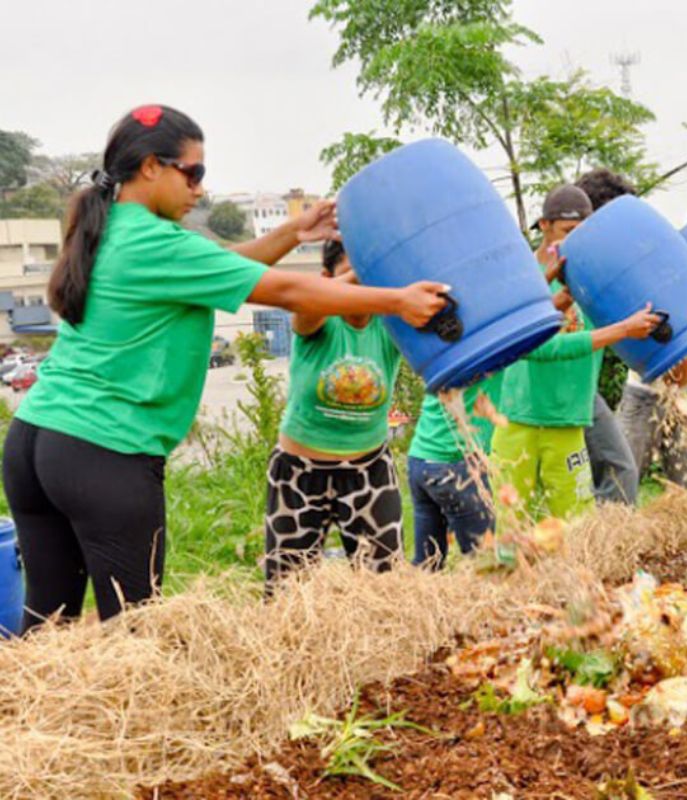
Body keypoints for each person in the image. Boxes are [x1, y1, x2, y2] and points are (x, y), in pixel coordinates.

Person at [2, 105, 447, 631]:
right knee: (132, 632)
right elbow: (283, 290)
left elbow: (225, 266)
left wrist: (293, 232)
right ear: (150, 167)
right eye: (193, 172)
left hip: (35, 441)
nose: (199, 189)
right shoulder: (158, 242)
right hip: (103, 451)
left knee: (49, 623)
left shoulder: (113, 230)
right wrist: (396, 300)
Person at [491, 185, 660, 521]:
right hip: (524, 416)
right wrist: (623, 329)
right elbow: (537, 346)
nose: (576, 241)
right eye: (569, 232)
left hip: (571, 414)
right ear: (544, 226)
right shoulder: (522, 275)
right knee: (514, 526)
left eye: (584, 233)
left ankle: (606, 558)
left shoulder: (591, 275)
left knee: (575, 523)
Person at [575, 170, 687, 489]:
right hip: (646, 392)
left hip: (686, 396)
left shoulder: (660, 248)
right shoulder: (615, 261)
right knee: (619, 486)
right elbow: (652, 303)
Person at [263, 240, 408, 590]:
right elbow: (306, 305)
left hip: (368, 471)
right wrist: (362, 273)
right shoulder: (316, 321)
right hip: (300, 472)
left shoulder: (389, 326)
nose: (364, 289)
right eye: (353, 275)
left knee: (386, 590)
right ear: (326, 277)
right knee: (288, 590)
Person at [406, 372, 503, 570]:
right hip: (456, 466)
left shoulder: (443, 357)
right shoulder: (485, 356)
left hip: (420, 460)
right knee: (484, 565)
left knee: (426, 563)